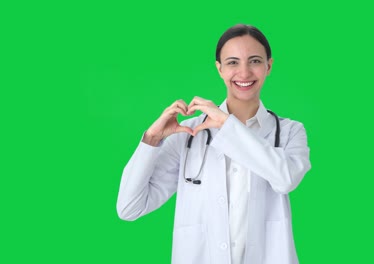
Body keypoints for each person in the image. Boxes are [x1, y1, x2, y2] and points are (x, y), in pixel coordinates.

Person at [117, 24, 311, 264]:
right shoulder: (189, 134)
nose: (244, 72)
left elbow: (285, 180)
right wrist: (151, 139)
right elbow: (129, 208)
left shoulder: (290, 131)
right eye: (232, 62)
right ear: (219, 68)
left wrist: (228, 126)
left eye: (254, 61)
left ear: (268, 66)